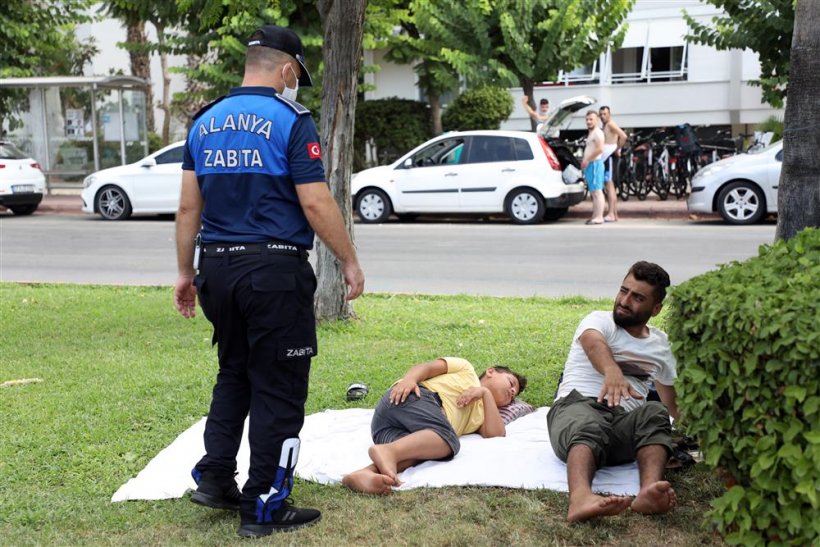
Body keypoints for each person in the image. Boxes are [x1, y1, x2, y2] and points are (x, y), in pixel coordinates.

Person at [173, 24, 365, 538]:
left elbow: (190, 205)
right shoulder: (290, 120)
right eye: (297, 76)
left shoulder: (205, 121)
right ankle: (265, 503)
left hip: (216, 268)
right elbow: (315, 200)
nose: (295, 84)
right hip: (273, 271)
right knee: (280, 387)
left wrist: (183, 273)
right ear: (285, 70)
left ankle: (215, 479)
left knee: (234, 371)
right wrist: (348, 259)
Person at [548, 261, 678, 522]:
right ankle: (581, 497)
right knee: (590, 422)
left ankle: (648, 491)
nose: (625, 301)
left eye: (637, 297)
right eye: (623, 290)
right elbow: (593, 344)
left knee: (655, 411)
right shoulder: (598, 320)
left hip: (621, 427)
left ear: (656, 309)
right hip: (576, 410)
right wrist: (612, 371)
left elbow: (673, 406)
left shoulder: (661, 345)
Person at [342, 357, 527, 495]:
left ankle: (365, 474)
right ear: (491, 371)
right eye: (511, 383)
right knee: (449, 442)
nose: (511, 391)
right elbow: (428, 367)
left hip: (387, 429)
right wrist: (409, 380)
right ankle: (388, 452)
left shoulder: (483, 416)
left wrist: (485, 393)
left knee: (419, 453)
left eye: (513, 395)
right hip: (410, 397)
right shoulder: (466, 370)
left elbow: (496, 435)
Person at [599, 106, 628, 222]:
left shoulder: (611, 124)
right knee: (609, 186)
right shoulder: (605, 125)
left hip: (610, 157)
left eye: (605, 114)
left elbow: (624, 136)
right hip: (606, 158)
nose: (602, 116)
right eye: (600, 114)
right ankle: (614, 214)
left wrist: (617, 149)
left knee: (609, 186)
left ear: (609, 114)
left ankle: (611, 213)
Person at [581, 111, 606, 225]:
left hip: (595, 164)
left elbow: (600, 149)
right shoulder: (591, 133)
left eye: (591, 119)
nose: (588, 121)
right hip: (591, 165)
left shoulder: (598, 133)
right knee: (593, 192)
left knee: (597, 191)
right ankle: (595, 215)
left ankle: (599, 216)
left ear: (597, 120)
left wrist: (587, 159)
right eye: (587, 119)